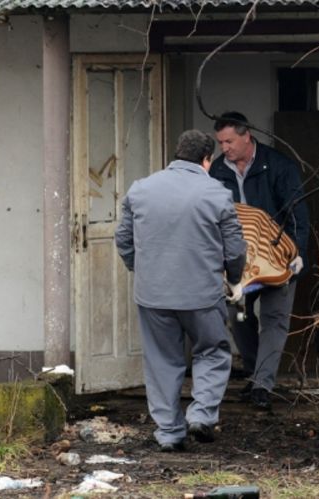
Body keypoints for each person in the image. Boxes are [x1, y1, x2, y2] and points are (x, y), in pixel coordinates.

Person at [115, 129, 247, 452]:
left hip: (152, 295)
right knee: (213, 351)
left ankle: (170, 433)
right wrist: (233, 278)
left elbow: (123, 240)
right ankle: (201, 414)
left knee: (161, 361)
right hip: (201, 294)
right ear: (207, 160)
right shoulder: (216, 193)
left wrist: (142, 270)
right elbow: (235, 248)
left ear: (176, 155)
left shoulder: (140, 190)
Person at [209, 111, 309, 410]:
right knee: (237, 314)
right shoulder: (217, 171)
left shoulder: (279, 166)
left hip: (278, 256)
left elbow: (297, 215)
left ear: (246, 135)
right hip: (238, 261)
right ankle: (255, 374)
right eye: (220, 142)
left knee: (274, 319)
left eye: (229, 141)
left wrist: (298, 253)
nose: (224, 147)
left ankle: (262, 385)